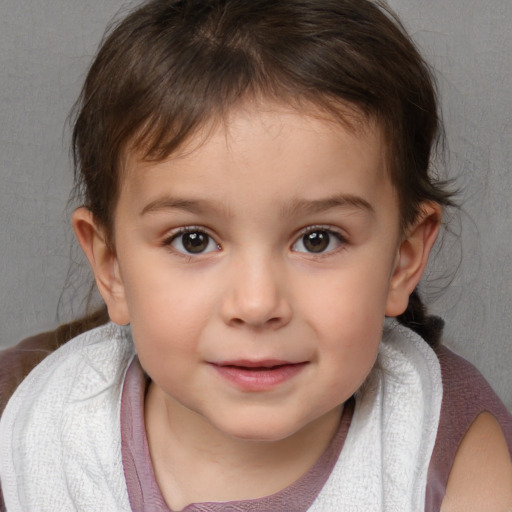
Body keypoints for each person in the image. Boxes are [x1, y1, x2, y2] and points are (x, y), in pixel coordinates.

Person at [0, 0, 511, 510]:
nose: (257, 303)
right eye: (193, 240)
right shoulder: (28, 419)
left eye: (317, 239)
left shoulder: (452, 454)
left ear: (402, 258)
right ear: (111, 267)